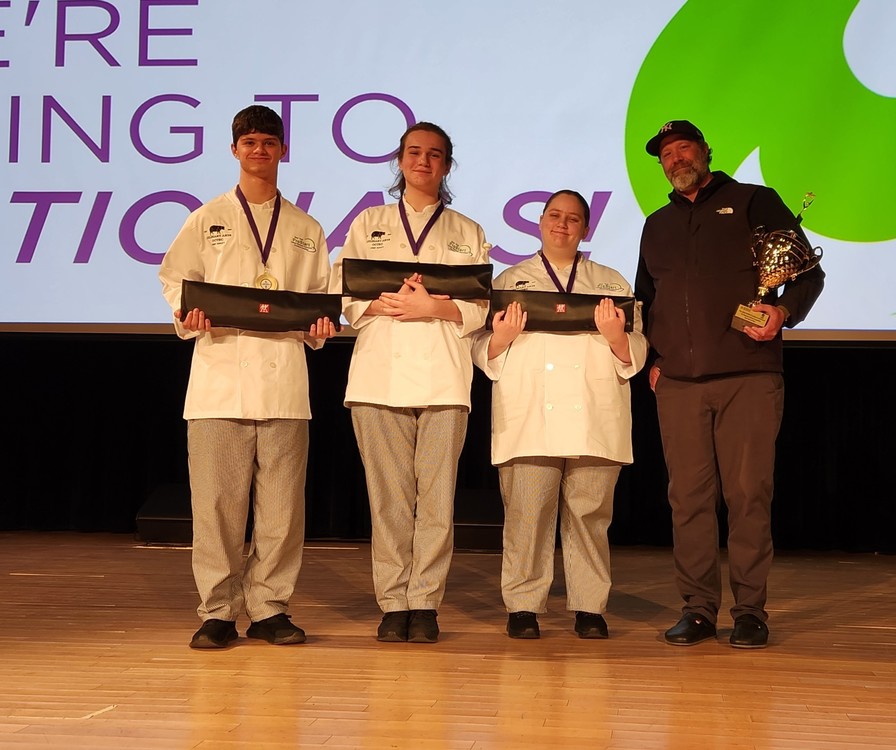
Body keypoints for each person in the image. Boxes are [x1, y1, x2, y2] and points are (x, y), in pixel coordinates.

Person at [635, 119, 824, 649]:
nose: (675, 159)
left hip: (748, 374)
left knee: (748, 496)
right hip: (679, 384)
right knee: (688, 500)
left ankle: (749, 611)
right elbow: (646, 299)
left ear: (705, 151)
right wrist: (653, 356)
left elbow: (808, 272)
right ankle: (697, 609)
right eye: (666, 154)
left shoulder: (753, 200)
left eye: (683, 148)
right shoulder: (656, 224)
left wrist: (783, 310)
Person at [159, 104, 336, 649]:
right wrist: (185, 317)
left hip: (284, 384)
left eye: (269, 142)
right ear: (234, 150)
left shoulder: (307, 228)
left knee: (282, 509)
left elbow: (319, 301)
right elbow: (175, 279)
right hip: (217, 381)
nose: (260, 151)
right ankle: (217, 611)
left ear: (284, 150)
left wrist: (320, 327)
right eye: (250, 142)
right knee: (216, 506)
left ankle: (269, 608)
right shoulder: (207, 218)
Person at [333, 122, 490, 644]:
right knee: (390, 500)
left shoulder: (467, 230)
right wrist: (387, 304)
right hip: (379, 378)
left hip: (445, 379)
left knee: (437, 499)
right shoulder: (369, 222)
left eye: (435, 155)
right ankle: (392, 600)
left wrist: (434, 307)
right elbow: (343, 293)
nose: (423, 162)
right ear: (400, 161)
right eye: (414, 153)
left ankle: (424, 602)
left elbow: (480, 305)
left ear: (447, 165)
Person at [472, 190, 647, 640]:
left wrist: (616, 336)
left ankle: (590, 606)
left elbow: (637, 352)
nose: (563, 225)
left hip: (595, 415)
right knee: (527, 516)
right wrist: (501, 338)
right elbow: (479, 351)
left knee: (589, 517)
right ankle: (523, 606)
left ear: (585, 229)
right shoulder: (510, 281)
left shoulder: (611, 282)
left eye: (573, 219)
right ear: (540, 222)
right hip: (529, 416)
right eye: (555, 216)